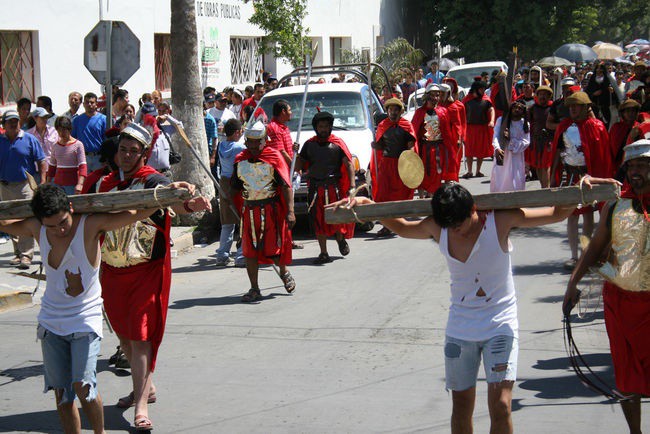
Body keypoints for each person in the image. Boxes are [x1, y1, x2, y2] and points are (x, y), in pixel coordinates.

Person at [328, 180, 611, 434]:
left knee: (501, 405)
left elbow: (555, 213)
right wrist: (366, 204)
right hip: (460, 328)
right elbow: (402, 226)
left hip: (500, 324)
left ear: (473, 208)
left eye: (460, 223)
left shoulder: (499, 221)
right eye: (449, 225)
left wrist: (579, 191)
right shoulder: (439, 226)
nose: (456, 230)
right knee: (461, 407)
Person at [0, 183, 169, 434]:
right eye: (51, 226)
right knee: (63, 394)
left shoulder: (88, 225)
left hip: (85, 319)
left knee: (84, 387)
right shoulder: (36, 227)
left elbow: (135, 213)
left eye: (63, 222)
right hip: (50, 322)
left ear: (71, 208)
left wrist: (167, 193)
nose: (59, 230)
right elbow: (4, 222)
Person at [99, 123, 211, 430]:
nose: (126, 155)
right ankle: (145, 386)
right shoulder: (105, 183)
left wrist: (191, 202)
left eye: (133, 151)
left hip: (146, 271)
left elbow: (175, 197)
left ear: (143, 154)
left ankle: (140, 405)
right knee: (123, 335)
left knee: (142, 335)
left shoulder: (153, 180)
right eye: (123, 149)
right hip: (111, 271)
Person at [564, 139, 650, 434]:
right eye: (633, 166)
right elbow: (595, 246)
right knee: (626, 378)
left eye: (643, 165)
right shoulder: (615, 204)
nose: (636, 171)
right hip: (620, 303)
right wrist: (572, 284)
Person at [231, 121, 296, 302]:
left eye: (256, 142)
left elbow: (285, 186)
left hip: (270, 210)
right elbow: (235, 187)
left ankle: (283, 272)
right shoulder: (240, 160)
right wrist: (229, 198)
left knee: (273, 250)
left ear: (264, 141)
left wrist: (290, 211)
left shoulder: (273, 157)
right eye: (250, 141)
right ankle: (254, 288)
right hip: (249, 210)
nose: (253, 146)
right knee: (249, 252)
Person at [550, 91, 613, 269]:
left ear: (586, 108)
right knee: (570, 215)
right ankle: (573, 256)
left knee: (587, 215)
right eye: (570, 106)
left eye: (576, 106)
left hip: (589, 177)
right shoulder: (564, 126)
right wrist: (553, 174)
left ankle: (587, 254)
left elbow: (603, 157)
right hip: (570, 175)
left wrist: (601, 180)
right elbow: (557, 151)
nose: (573, 109)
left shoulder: (597, 126)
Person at [295, 112, 355, 264]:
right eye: (321, 126)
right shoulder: (309, 145)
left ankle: (340, 239)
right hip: (316, 189)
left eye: (326, 126)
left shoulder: (337, 143)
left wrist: (352, 185)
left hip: (334, 188)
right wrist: (295, 153)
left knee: (337, 218)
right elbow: (299, 166)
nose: (324, 129)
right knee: (318, 221)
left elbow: (348, 164)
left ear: (330, 127)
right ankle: (323, 252)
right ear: (316, 128)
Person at [0, 109, 47, 269]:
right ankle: (17, 254)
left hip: (25, 185)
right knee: (9, 219)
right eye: (10, 121)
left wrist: (43, 180)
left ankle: (26, 255)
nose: (13, 123)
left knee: (26, 218)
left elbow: (41, 160)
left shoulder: (29, 139)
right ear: (4, 125)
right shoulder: (0, 141)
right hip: (5, 185)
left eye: (15, 120)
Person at [370, 98, 417, 237]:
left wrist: (411, 156)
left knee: (399, 194)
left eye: (396, 110)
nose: (393, 112)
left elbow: (411, 144)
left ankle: (398, 223)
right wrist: (375, 145)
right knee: (383, 195)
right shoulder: (383, 125)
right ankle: (386, 225)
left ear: (400, 111)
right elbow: (380, 146)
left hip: (401, 163)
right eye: (390, 110)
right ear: (387, 111)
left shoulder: (406, 125)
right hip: (386, 164)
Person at [411, 83, 456, 196]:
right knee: (423, 173)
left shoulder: (443, 111)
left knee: (437, 173)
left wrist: (450, 148)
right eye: (433, 95)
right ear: (427, 96)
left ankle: (432, 195)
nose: (435, 97)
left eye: (437, 95)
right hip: (424, 149)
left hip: (438, 148)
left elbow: (446, 132)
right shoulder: (420, 112)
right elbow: (413, 131)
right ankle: (422, 197)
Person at [214, 118, 246, 267]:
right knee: (243, 221)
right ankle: (240, 255)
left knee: (227, 222)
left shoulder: (221, 146)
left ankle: (222, 254)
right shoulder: (239, 147)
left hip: (224, 183)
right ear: (236, 133)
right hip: (237, 183)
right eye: (240, 131)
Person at [490, 100, 530, 192]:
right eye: (515, 107)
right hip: (502, 154)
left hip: (516, 157)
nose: (517, 109)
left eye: (520, 108)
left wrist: (510, 140)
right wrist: (497, 148)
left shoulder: (525, 124)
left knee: (516, 182)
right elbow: (495, 135)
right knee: (500, 181)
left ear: (523, 111)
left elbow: (526, 142)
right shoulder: (501, 120)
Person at [462, 80, 495, 178]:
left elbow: (491, 109)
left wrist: (492, 121)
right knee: (469, 150)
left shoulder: (486, 99)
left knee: (480, 150)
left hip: (482, 128)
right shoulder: (467, 100)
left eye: (484, 88)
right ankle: (469, 171)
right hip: (470, 128)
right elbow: (461, 112)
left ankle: (478, 171)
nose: (483, 90)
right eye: (481, 89)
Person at [48, 116, 87, 195]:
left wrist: (80, 184)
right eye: (59, 130)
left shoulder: (78, 145)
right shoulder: (55, 146)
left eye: (63, 130)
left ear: (69, 129)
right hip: (57, 186)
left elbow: (83, 166)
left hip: (72, 185)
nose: (61, 133)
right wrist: (47, 184)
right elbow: (52, 167)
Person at [526, 85, 554, 188]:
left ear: (549, 96)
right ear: (537, 96)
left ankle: (546, 189)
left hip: (548, 140)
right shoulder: (532, 108)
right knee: (537, 165)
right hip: (536, 140)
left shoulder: (552, 108)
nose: (542, 97)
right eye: (540, 94)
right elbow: (527, 123)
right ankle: (543, 187)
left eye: (545, 95)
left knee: (546, 165)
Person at [71, 93, 106, 172]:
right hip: (83, 157)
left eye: (92, 102)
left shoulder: (103, 119)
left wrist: (105, 158)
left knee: (99, 182)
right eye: (87, 102)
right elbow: (73, 139)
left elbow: (106, 139)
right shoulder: (77, 120)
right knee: (84, 182)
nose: (89, 104)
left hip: (99, 158)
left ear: (96, 104)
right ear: (83, 104)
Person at [609, 99, 641, 176]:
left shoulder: (640, 127)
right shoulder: (616, 127)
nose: (630, 113)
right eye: (627, 111)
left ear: (637, 113)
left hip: (635, 163)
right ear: (623, 113)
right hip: (617, 166)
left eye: (633, 111)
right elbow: (612, 149)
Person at [27, 107, 59, 171]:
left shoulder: (54, 132)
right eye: (42, 117)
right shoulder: (28, 135)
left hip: (53, 169)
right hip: (36, 170)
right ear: (35, 118)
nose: (45, 119)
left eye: (46, 117)